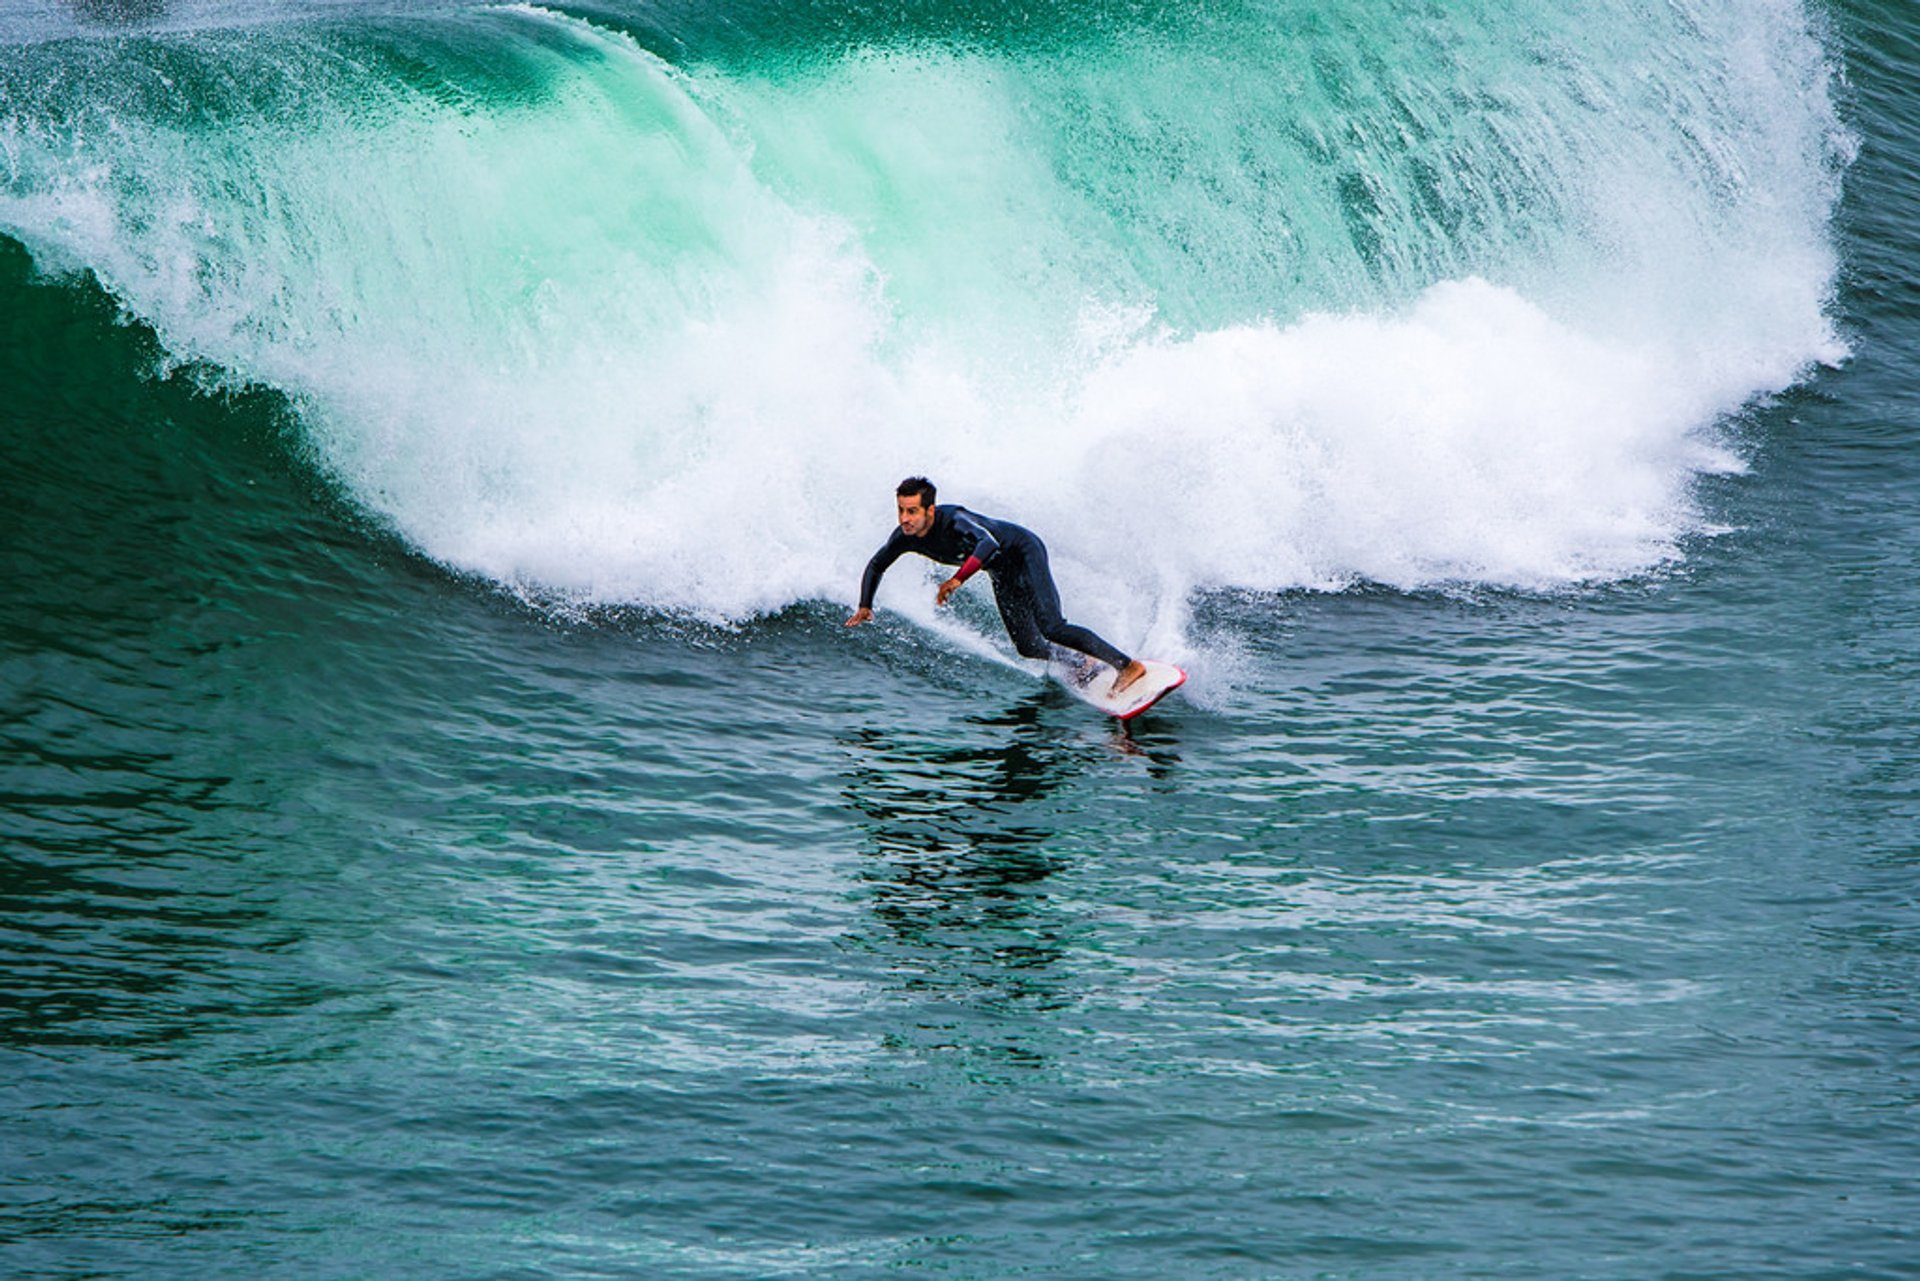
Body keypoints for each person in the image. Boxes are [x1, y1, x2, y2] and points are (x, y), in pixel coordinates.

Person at [846, 477, 1149, 694]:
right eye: (901, 510)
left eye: (912, 511)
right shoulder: (904, 537)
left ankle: (1127, 666)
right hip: (1001, 571)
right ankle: (1080, 662)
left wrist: (956, 579)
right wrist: (865, 605)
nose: (905, 519)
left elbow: (987, 543)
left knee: (1053, 627)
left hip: (1023, 552)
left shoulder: (955, 520)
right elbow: (876, 564)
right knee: (1028, 646)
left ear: (930, 511)